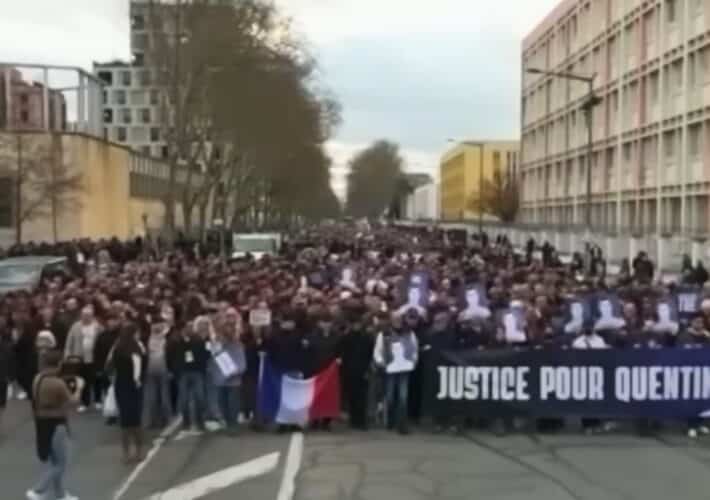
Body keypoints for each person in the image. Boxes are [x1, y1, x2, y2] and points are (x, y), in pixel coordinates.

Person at [26, 350, 84, 500]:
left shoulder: (37, 379)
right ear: (59, 364)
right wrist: (79, 388)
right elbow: (73, 402)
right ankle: (38, 490)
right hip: (56, 424)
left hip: (41, 423)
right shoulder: (58, 384)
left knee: (53, 461)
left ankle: (60, 495)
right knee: (60, 463)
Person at [373, 314, 418, 435]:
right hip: (390, 369)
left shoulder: (409, 333)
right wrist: (381, 362)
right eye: (395, 319)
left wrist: (413, 361)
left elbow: (414, 349)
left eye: (399, 319)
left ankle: (402, 424)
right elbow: (377, 351)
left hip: (404, 369)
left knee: (403, 397)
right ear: (391, 321)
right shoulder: (384, 334)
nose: (397, 322)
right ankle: (390, 420)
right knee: (390, 396)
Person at [108, 324, 146, 464]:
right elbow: (138, 370)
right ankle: (139, 451)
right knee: (136, 421)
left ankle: (126, 453)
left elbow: (109, 366)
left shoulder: (117, 348)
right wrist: (138, 381)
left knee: (124, 422)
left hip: (121, 385)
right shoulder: (137, 348)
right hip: (133, 387)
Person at [209, 322, 247, 435]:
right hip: (220, 381)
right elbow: (212, 362)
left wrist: (236, 372)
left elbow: (242, 364)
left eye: (230, 331)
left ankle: (233, 425)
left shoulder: (238, 345)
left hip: (234, 382)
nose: (227, 334)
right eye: (225, 332)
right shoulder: (216, 346)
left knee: (233, 405)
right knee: (222, 404)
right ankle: (227, 423)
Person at [64, 305, 103, 412]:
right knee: (82, 381)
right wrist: (67, 355)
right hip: (79, 358)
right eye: (84, 315)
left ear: (92, 316)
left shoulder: (98, 327)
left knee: (96, 380)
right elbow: (69, 341)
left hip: (93, 358)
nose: (85, 317)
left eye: (88, 315)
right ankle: (85, 402)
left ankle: (98, 400)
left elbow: (102, 341)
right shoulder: (75, 326)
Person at [173, 321, 210, 432]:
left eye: (191, 327)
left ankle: (200, 422)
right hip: (184, 372)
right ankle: (186, 422)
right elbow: (173, 355)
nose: (189, 329)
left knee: (200, 398)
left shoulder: (199, 340)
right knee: (184, 399)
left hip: (197, 372)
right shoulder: (178, 340)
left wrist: (203, 369)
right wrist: (176, 371)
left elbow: (206, 354)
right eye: (187, 327)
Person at [0, 329, 14, 431]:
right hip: (3, 379)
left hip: (2, 379)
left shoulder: (6, 348)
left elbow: (11, 362)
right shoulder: (6, 348)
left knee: (1, 404)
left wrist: (10, 377)